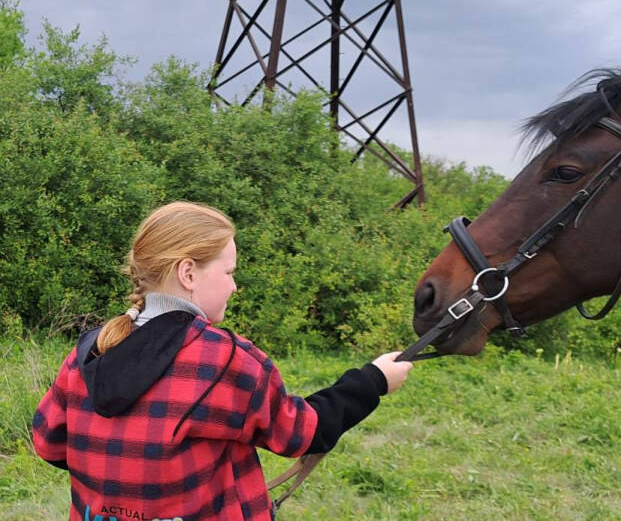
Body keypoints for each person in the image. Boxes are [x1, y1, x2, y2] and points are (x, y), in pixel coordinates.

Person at [32, 201, 413, 521]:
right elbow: (300, 433)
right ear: (188, 273)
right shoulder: (225, 359)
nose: (233, 285)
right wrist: (375, 379)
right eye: (229, 271)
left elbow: (48, 444)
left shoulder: (90, 350)